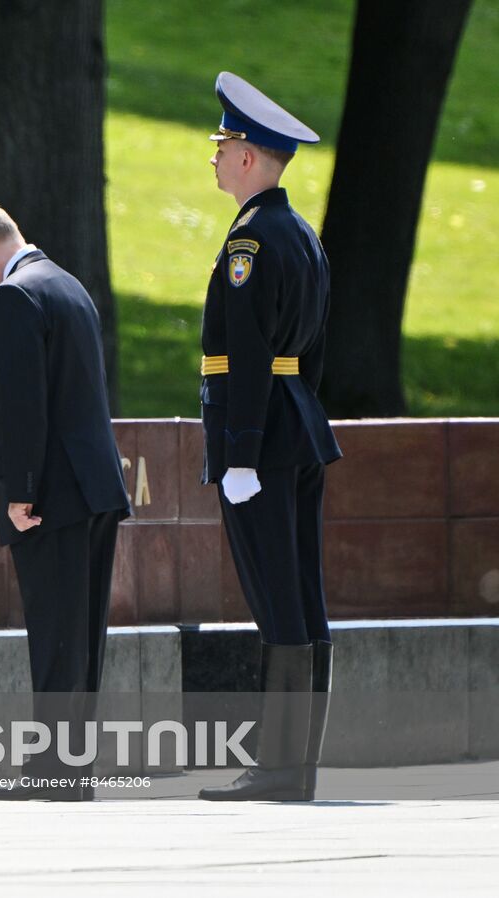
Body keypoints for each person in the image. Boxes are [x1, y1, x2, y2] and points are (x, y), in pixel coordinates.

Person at [0, 203, 131, 801]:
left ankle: (53, 774)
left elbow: (22, 408)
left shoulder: (15, 297)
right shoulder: (67, 284)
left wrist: (20, 494)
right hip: (96, 487)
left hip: (51, 495)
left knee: (54, 634)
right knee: (81, 638)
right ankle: (72, 769)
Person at [194, 73, 343, 802]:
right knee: (303, 599)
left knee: (279, 601)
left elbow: (248, 355)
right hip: (300, 428)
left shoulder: (252, 239)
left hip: (263, 442)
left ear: (250, 157)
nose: (215, 158)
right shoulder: (302, 236)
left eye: (222, 146)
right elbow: (308, 355)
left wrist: (241, 453)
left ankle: (280, 769)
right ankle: (296, 765)